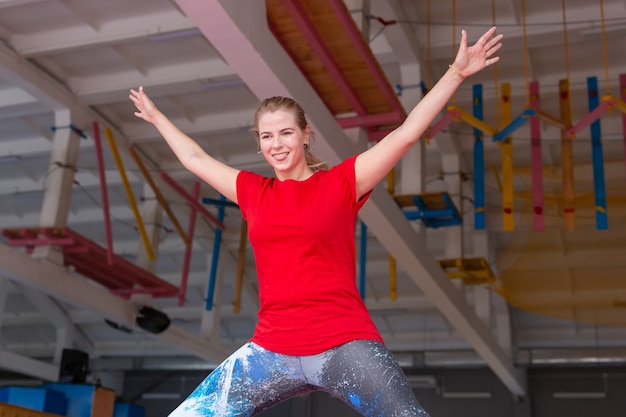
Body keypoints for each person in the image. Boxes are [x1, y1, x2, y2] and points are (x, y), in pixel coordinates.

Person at [130, 26, 502, 417]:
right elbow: (196, 160)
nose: (277, 144)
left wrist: (455, 74)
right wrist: (157, 119)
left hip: (344, 343)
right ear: (259, 144)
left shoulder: (342, 182)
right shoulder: (252, 191)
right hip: (271, 351)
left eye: (286, 133)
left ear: (305, 135)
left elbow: (406, 134)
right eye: (267, 136)